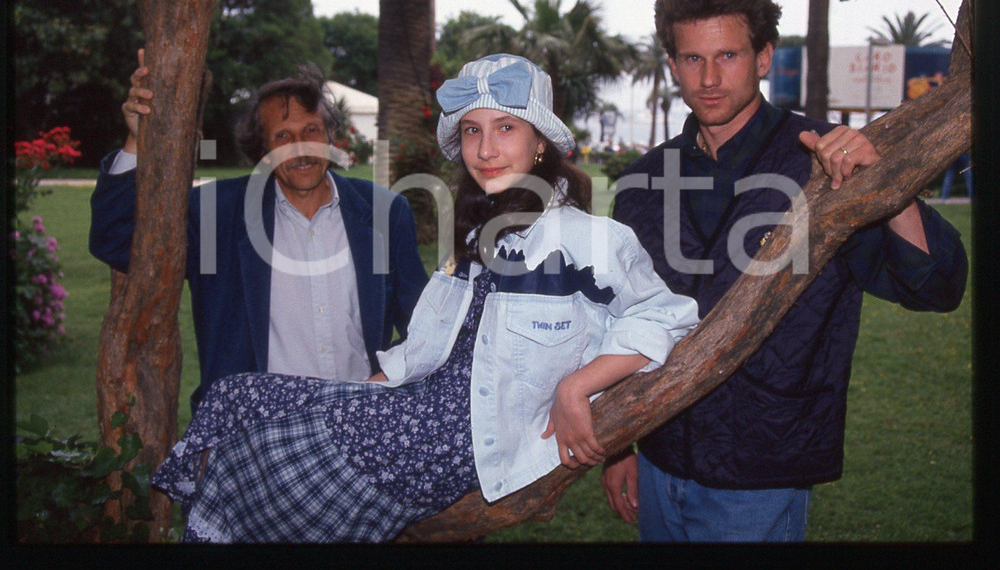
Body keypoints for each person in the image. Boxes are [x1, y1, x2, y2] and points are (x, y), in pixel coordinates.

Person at [150, 53, 700, 543]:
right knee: (231, 401)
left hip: (453, 439)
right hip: (412, 410)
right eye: (471, 132)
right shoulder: (477, 240)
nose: (485, 150)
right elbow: (422, 347)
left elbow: (670, 316)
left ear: (539, 144)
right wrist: (363, 395)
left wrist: (578, 386)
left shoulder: (589, 239)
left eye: (506, 128)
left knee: (265, 464)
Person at [600, 0, 969, 542]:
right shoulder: (643, 182)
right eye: (693, 58)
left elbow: (938, 287)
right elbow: (621, 319)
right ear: (673, 65)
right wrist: (619, 441)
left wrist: (888, 185)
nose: (710, 77)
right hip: (659, 455)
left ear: (764, 57)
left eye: (729, 55)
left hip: (762, 468)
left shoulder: (824, 162)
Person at [89, 51, 429, 411]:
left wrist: (387, 384)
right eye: (283, 136)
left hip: (358, 421)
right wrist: (135, 143)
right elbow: (116, 242)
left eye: (311, 130)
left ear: (331, 136)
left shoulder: (384, 212)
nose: (301, 148)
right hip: (253, 432)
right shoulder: (217, 214)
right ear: (262, 149)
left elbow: (423, 326)